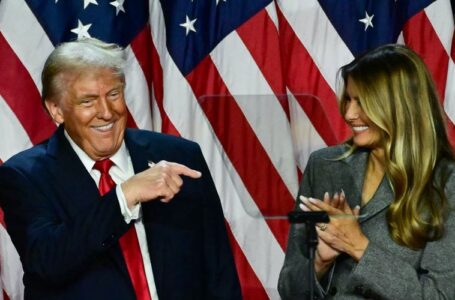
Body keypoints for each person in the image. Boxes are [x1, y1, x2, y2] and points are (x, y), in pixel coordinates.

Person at [0, 38, 241, 300]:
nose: (107, 112)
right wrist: (125, 196)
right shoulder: (26, 176)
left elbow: (219, 270)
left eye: (114, 94)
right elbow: (46, 261)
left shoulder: (179, 156)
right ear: (56, 110)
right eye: (88, 101)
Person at [278, 44, 455, 299]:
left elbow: (441, 296)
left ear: (400, 106)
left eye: (362, 102)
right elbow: (289, 291)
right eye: (349, 100)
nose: (349, 114)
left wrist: (358, 246)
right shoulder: (324, 165)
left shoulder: (447, 182)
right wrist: (320, 262)